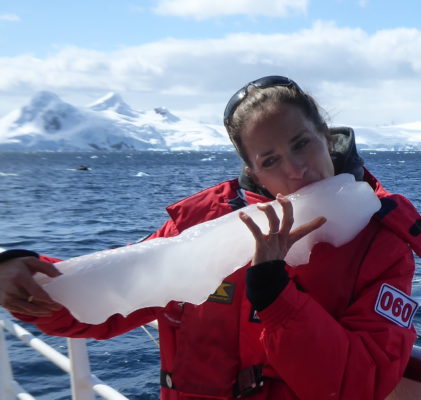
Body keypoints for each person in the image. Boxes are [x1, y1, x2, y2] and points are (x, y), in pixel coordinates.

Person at [1, 76, 420, 400]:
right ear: (253, 171)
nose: (295, 170)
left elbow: (356, 384)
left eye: (302, 144)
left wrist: (276, 297)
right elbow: (107, 303)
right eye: (271, 159)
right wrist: (26, 279)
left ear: (327, 138)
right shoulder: (202, 223)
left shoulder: (380, 242)